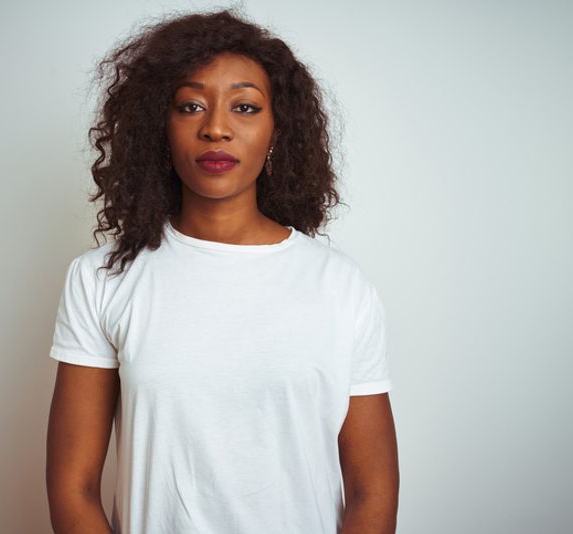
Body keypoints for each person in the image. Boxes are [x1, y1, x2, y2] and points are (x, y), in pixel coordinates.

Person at [46, 8, 399, 534]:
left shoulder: (340, 286)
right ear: (158, 127)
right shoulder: (102, 278)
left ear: (278, 129)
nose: (215, 128)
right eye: (190, 106)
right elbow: (72, 486)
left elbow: (374, 491)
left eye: (245, 107)